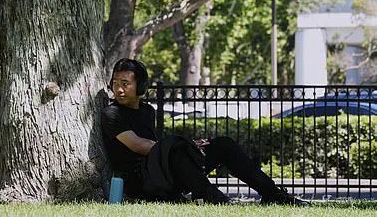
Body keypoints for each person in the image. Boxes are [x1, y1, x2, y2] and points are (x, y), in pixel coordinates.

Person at [101, 58, 308, 205]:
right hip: (142, 182)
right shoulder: (111, 113)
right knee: (176, 148)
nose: (119, 89)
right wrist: (183, 146)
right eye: (115, 83)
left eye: (125, 84)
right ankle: (210, 195)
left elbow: (157, 147)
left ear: (140, 87)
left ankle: (272, 193)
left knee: (223, 145)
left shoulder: (148, 111)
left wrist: (187, 147)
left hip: (164, 173)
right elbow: (138, 145)